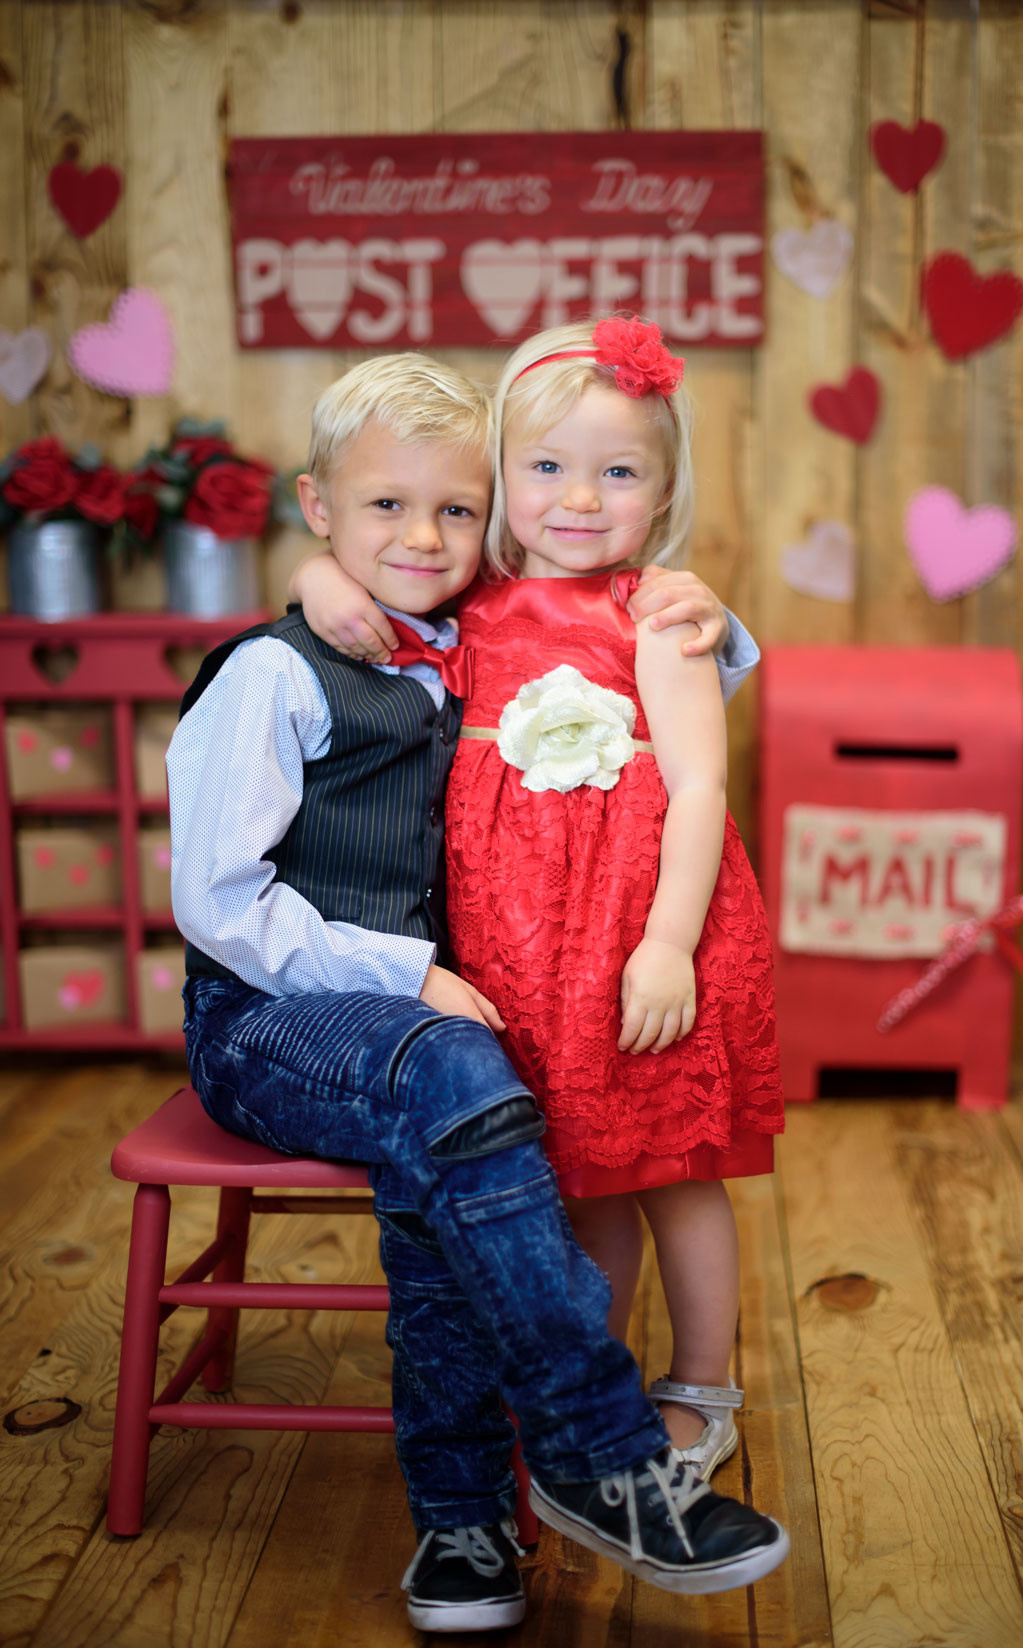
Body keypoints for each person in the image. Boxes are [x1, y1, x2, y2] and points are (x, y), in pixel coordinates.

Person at [168, 352, 789, 1636]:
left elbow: (634, 662)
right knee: (461, 1082)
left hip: (423, 1022)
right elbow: (220, 905)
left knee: (454, 1133)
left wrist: (712, 617)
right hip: (272, 1018)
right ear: (320, 507)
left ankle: (470, 1522)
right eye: (387, 507)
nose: (423, 535)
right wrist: (311, 575)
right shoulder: (287, 667)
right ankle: (591, 1452)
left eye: (454, 508)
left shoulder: (441, 632)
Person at [294, 319, 784, 1493]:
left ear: (662, 488)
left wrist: (666, 945)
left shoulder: (654, 615)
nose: (577, 498)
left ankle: (702, 1383)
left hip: (637, 932)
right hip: (520, 943)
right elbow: (361, 571)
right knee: (578, 1165)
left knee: (670, 1166)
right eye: (547, 467)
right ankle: (589, 1393)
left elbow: (700, 786)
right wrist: (314, 577)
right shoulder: (471, 599)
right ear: (499, 477)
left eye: (617, 472)